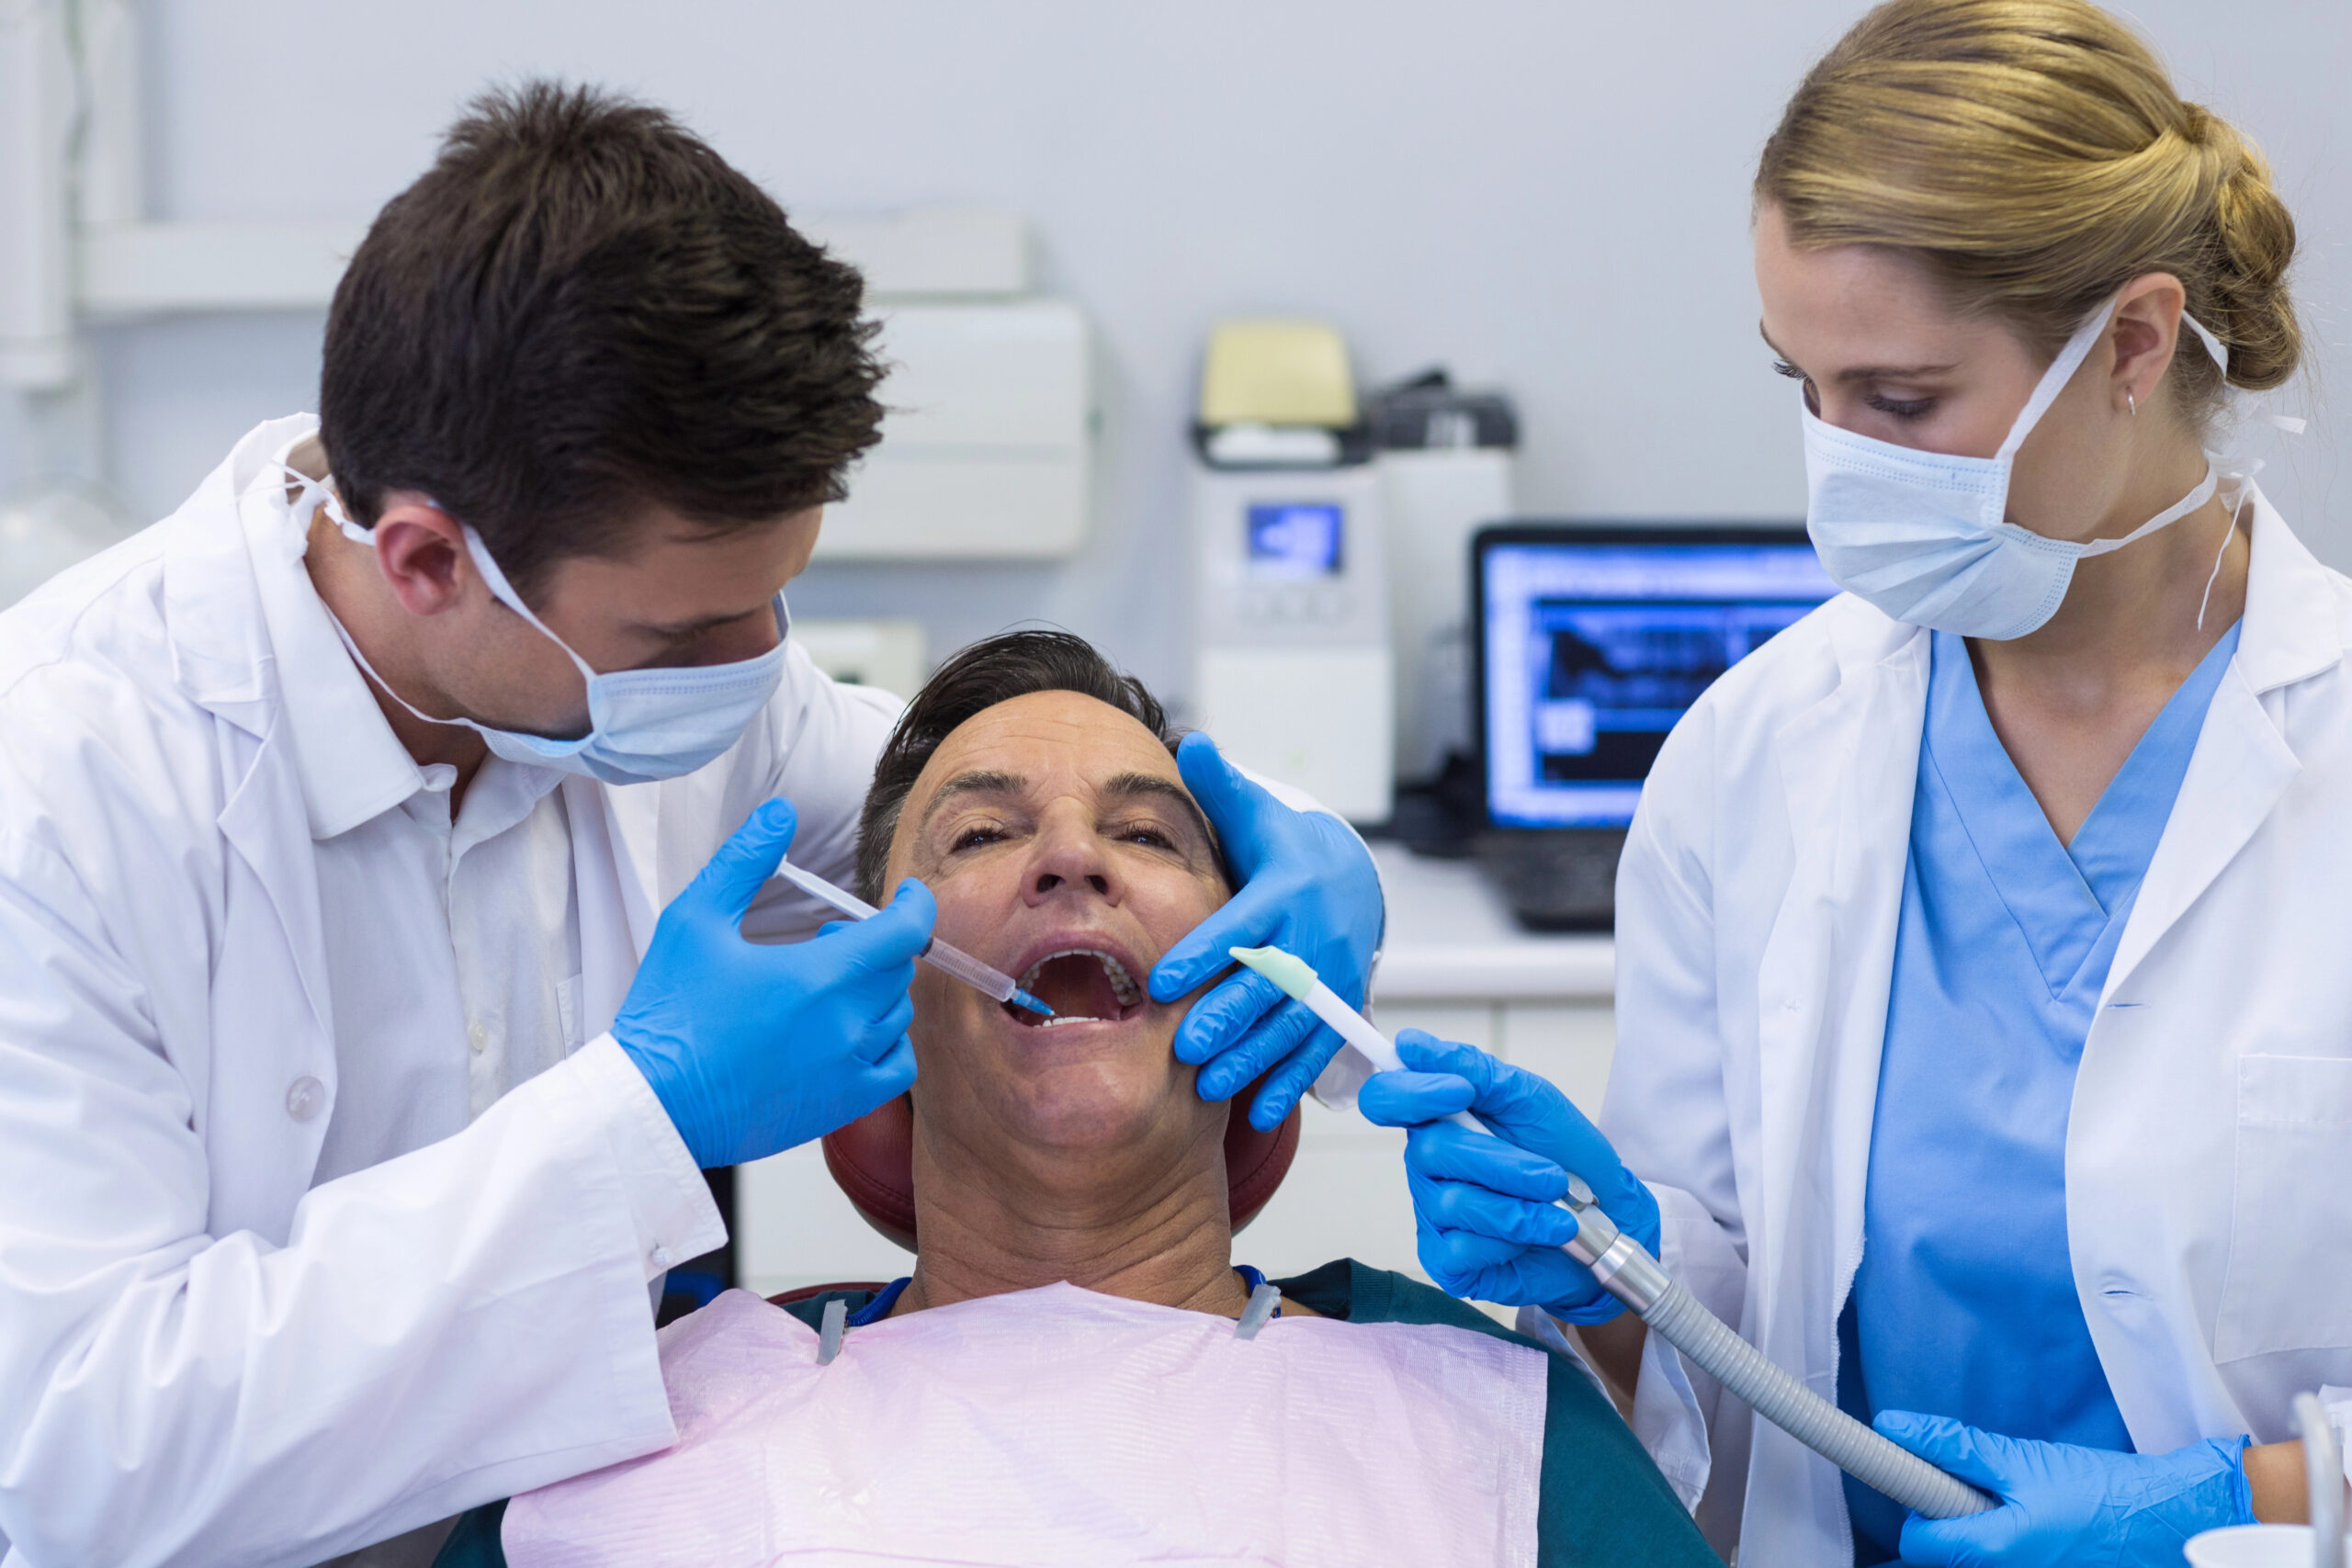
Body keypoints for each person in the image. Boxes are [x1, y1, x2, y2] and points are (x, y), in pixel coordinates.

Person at [0, 90, 1380, 1568]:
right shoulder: (65, 794)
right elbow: (64, 1454)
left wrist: (1293, 842)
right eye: (690, 629)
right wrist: (639, 1123)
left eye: (779, 594)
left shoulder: (665, 685)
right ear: (425, 561)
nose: (758, 658)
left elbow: (994, 792)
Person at [1363, 1, 2352, 1562]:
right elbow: (1727, 1344)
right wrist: (1606, 1264)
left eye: (1899, 402)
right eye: (1800, 386)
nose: (1839, 461)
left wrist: (2257, 1507)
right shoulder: (1755, 751)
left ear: (2137, 343)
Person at [427, 630, 1714, 1568]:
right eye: (980, 835)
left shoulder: (1481, 1418)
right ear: (877, 1007)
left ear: (1262, 983)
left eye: (1150, 837)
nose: (1070, 859)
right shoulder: (646, 1437)